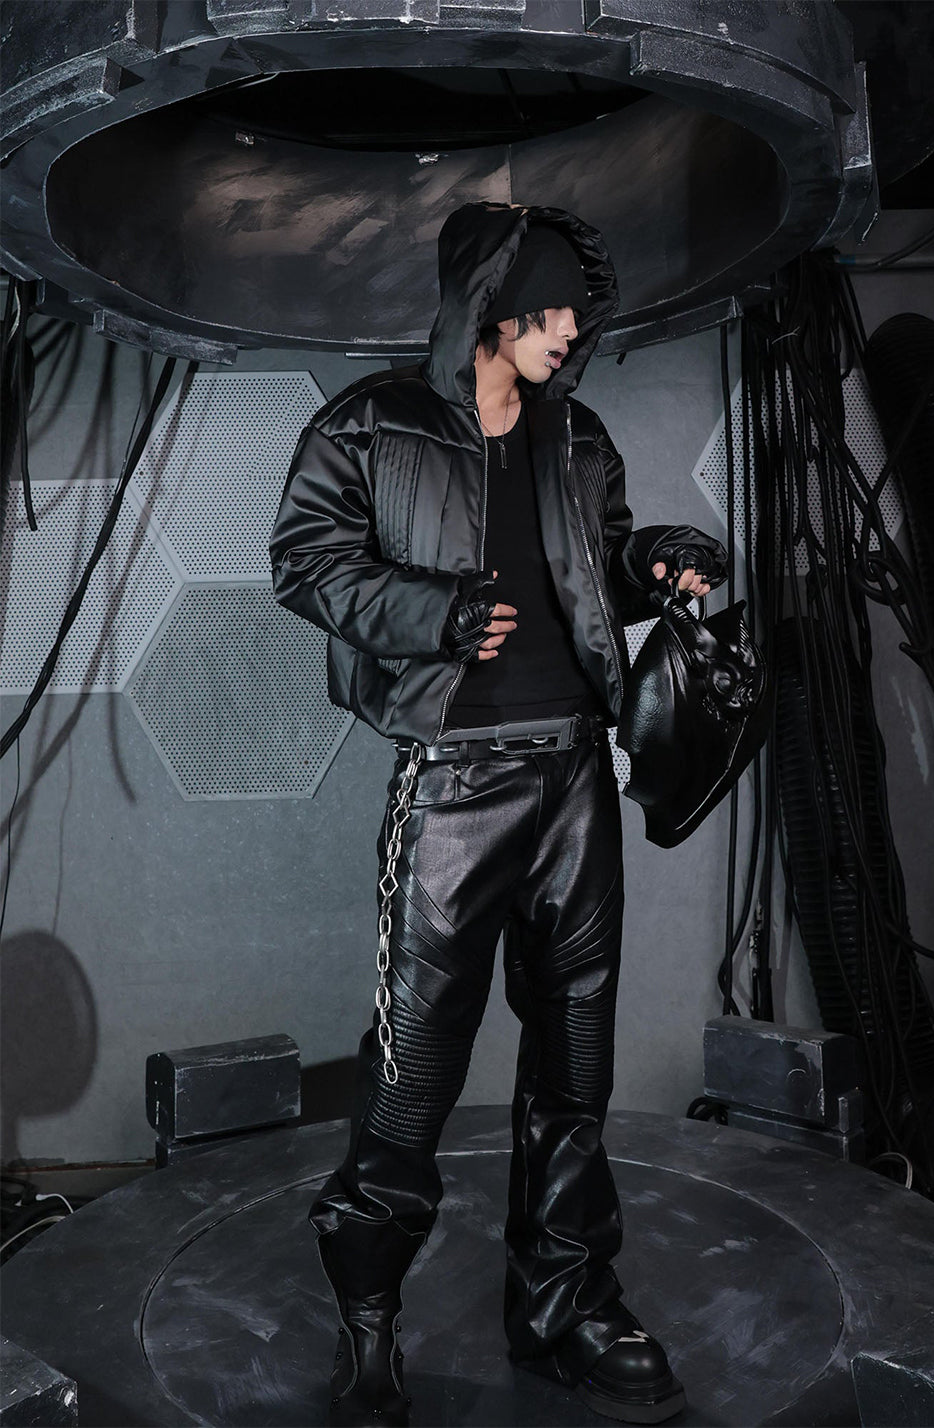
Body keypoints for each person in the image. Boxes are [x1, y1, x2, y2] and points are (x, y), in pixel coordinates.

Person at [270, 201, 726, 1428]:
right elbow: (305, 560)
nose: (572, 332)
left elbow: (598, 562)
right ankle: (370, 1317)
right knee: (415, 1070)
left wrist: (657, 560)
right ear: (493, 304)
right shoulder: (371, 424)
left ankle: (566, 1304)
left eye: (579, 311)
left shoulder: (578, 436)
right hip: (455, 783)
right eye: (553, 308)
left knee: (574, 1066)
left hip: (577, 777)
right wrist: (436, 613)